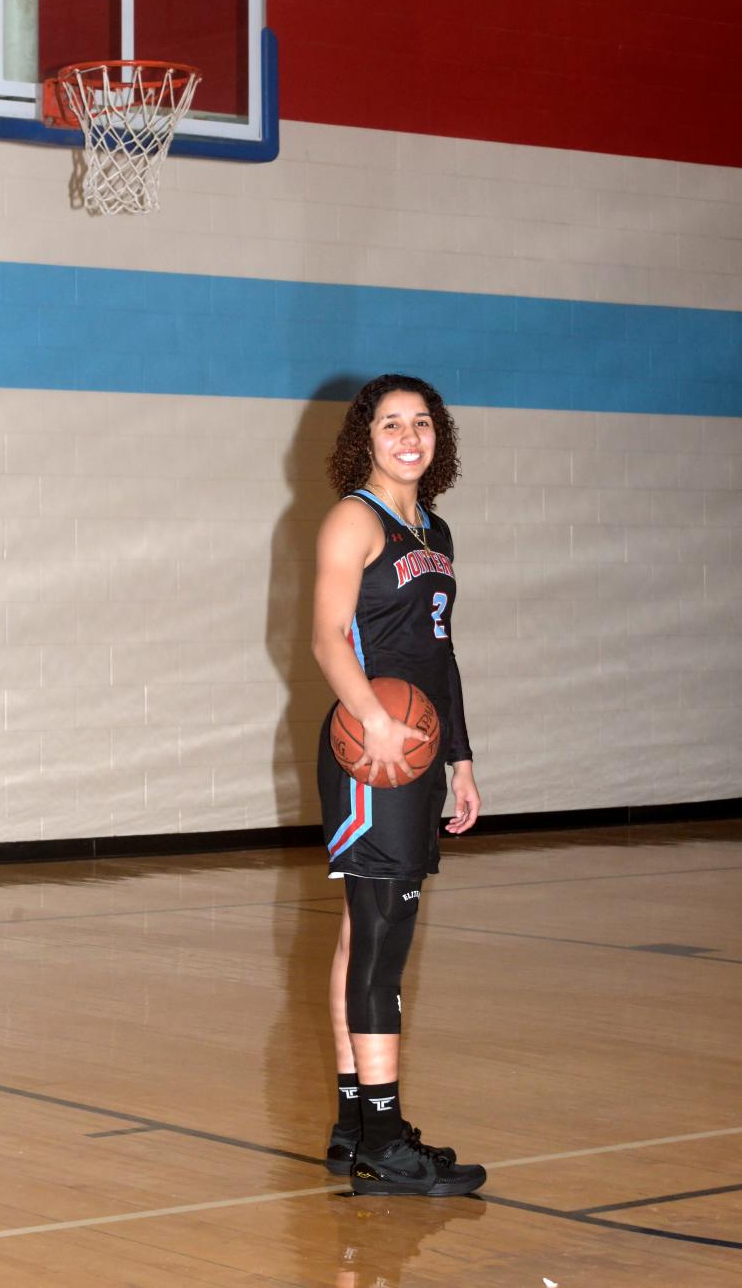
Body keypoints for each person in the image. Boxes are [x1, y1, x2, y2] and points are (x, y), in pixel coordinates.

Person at [312, 373, 486, 1197]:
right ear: (366, 437)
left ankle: (355, 1124)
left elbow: (438, 658)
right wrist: (372, 722)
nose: (408, 435)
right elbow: (324, 637)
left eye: (421, 422)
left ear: (437, 437)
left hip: (416, 752)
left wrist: (460, 755)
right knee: (382, 942)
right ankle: (385, 1138)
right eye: (391, 423)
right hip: (368, 753)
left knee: (361, 936)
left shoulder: (435, 528)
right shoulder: (354, 518)